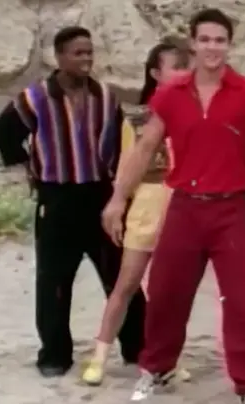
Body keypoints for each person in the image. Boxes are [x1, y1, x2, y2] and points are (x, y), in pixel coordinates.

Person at [101, 8, 245, 404]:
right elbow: (145, 148)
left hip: (231, 208)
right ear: (193, 44)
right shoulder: (172, 94)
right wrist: (118, 198)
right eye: (205, 40)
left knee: (239, 300)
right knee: (166, 292)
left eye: (220, 40)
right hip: (184, 206)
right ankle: (157, 368)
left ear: (230, 45)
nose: (212, 47)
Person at [0, 26, 146, 377]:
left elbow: (121, 143)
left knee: (121, 275)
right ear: (59, 57)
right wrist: (27, 167)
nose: (86, 59)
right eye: (78, 53)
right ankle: (55, 355)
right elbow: (4, 131)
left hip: (100, 196)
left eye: (89, 52)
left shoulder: (105, 96)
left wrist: (120, 189)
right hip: (57, 199)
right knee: (55, 282)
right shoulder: (36, 98)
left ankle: (137, 346)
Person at [81, 39, 191, 386]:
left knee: (170, 291)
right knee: (126, 284)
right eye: (176, 67)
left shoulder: (194, 112)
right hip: (147, 204)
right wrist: (118, 204)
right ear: (156, 73)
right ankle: (100, 355)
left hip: (183, 206)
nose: (183, 74)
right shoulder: (138, 117)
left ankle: (168, 358)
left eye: (186, 67)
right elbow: (127, 165)